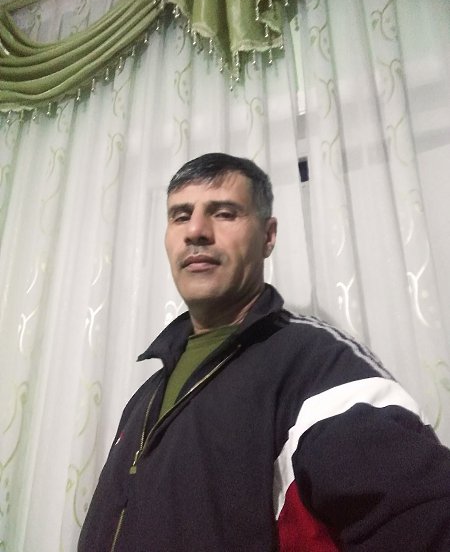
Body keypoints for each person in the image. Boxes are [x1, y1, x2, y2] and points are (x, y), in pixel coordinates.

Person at [78, 153, 450, 552]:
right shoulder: (148, 393)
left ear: (268, 236)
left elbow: (424, 519)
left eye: (224, 213)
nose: (196, 231)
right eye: (180, 216)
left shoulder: (320, 367)